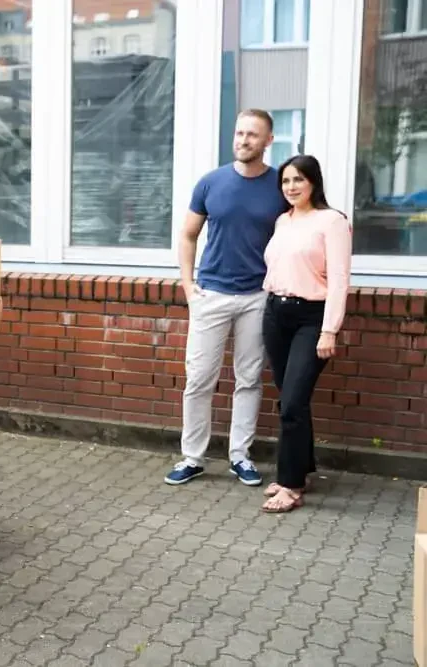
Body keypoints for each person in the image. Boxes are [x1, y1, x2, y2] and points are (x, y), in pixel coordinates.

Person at [166, 109, 290, 487]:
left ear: (269, 140)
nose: (243, 141)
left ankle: (240, 455)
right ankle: (193, 457)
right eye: (239, 133)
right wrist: (188, 287)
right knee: (199, 379)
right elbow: (188, 235)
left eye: (253, 135)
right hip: (212, 294)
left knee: (249, 379)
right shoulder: (211, 183)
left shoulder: (279, 187)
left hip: (257, 297)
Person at [259, 155, 352, 513]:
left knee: (293, 404)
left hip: (311, 319)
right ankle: (301, 468)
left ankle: (291, 484)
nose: (291, 187)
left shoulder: (332, 222)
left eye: (298, 179)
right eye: (285, 181)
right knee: (291, 400)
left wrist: (329, 330)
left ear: (313, 181)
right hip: (276, 314)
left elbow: (340, 280)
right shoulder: (283, 221)